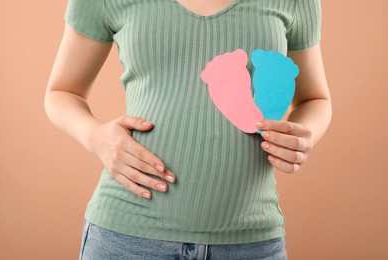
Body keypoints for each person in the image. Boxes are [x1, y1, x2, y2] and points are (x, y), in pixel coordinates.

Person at [44, 0, 332, 259]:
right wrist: (96, 137)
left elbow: (315, 99)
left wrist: (303, 135)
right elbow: (62, 92)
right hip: (127, 241)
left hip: (250, 243)